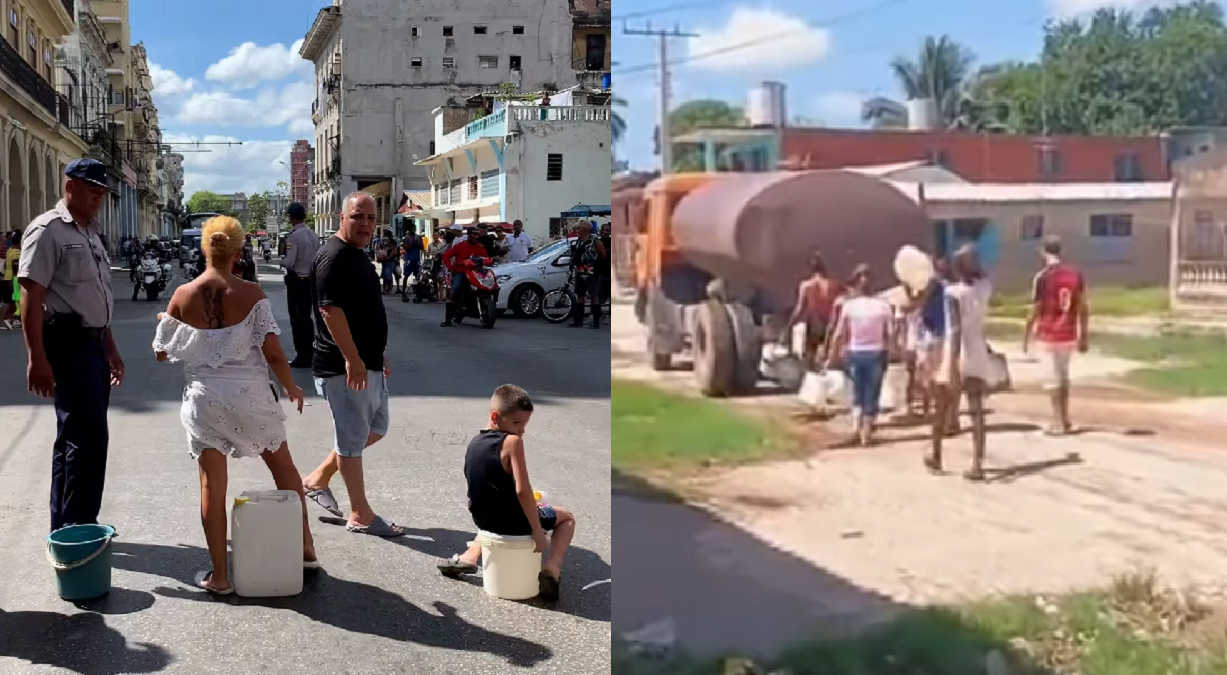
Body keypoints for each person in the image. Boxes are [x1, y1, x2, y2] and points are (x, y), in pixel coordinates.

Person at [153, 216, 318, 594]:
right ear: (239, 251)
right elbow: (274, 353)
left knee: (212, 484)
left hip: (204, 400)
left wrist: (164, 320)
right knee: (284, 469)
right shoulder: (252, 294)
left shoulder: (182, 295)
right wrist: (291, 387)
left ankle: (220, 576)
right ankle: (306, 546)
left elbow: (163, 353)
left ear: (203, 249)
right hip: (252, 396)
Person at [18, 158, 124, 532]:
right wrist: (37, 359)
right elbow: (30, 295)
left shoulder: (91, 233)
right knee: (87, 438)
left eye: (102, 193)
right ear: (70, 185)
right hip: (66, 344)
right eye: (92, 190)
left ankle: (65, 524)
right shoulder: (47, 231)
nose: (98, 198)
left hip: (92, 344)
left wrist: (109, 347)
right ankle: (79, 525)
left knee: (77, 438)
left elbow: (97, 296)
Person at [301, 193, 404, 536]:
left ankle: (318, 478)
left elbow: (363, 310)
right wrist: (353, 358)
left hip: (366, 361)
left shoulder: (356, 254)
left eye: (371, 219)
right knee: (350, 441)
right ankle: (360, 513)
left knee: (374, 428)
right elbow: (330, 310)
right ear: (341, 217)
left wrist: (374, 353)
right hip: (342, 367)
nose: (365, 224)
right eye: (358, 217)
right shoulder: (333, 257)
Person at [436, 385, 577, 601]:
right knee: (566, 517)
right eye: (517, 423)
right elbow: (523, 492)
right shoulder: (512, 442)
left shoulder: (474, 443)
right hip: (513, 521)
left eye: (524, 425)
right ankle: (552, 569)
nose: (521, 431)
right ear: (495, 416)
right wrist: (537, 531)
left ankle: (469, 556)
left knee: (497, 511)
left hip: (484, 520)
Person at [928, 244, 993, 480]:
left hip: (959, 348)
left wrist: (952, 364)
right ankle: (977, 463)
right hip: (978, 348)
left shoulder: (952, 293)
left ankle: (936, 454)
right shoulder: (985, 288)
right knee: (976, 410)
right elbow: (983, 274)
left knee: (942, 405)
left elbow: (954, 330)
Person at [1023, 235, 1089, 436]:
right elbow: (1083, 307)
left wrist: (1026, 334)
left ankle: (1057, 421)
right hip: (1068, 331)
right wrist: (1083, 334)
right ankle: (1065, 418)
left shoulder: (1042, 277)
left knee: (1052, 379)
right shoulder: (1075, 274)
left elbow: (1036, 308)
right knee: (1063, 376)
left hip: (1048, 332)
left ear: (1043, 251)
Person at [826, 265, 893, 447]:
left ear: (855, 284)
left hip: (854, 353)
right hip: (876, 353)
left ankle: (856, 428)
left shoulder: (849, 306)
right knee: (873, 393)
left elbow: (839, 333)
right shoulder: (883, 306)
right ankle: (867, 433)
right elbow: (890, 334)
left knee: (858, 391)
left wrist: (832, 355)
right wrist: (893, 352)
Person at [279, 202, 320, 368]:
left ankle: (302, 356)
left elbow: (290, 262)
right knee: (307, 319)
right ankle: (310, 353)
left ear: (291, 217)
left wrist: (280, 261)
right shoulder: (313, 235)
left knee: (297, 320)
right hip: (310, 280)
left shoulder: (293, 237)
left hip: (297, 281)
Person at [782, 253, 838, 369]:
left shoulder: (807, 286)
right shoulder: (832, 285)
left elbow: (799, 309)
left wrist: (789, 327)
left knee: (810, 357)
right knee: (828, 356)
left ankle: (812, 377)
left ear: (811, 270)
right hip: (830, 323)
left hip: (814, 324)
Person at [440, 227, 490, 327]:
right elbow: (446, 256)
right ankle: (448, 320)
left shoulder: (479, 247)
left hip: (476, 273)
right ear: (469, 235)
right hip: (461, 272)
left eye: (477, 235)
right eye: (474, 234)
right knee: (454, 291)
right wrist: (450, 267)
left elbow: (487, 258)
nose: (476, 237)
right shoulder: (460, 246)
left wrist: (490, 260)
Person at [569, 224, 607, 329]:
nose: (577, 230)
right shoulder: (579, 241)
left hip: (592, 272)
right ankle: (578, 321)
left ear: (585, 229)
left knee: (594, 296)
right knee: (580, 295)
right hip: (580, 271)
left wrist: (595, 264)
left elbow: (603, 255)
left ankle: (596, 322)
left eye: (579, 228)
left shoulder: (595, 241)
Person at [2, 231, 21, 330]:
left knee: (12, 301)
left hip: (7, 277)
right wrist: (17, 278)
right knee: (16, 300)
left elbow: (5, 264)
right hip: (14, 279)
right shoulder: (17, 252)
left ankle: (12, 319)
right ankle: (9, 319)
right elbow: (15, 266)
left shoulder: (9, 250)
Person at [400, 228, 425, 294]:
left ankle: (418, 292)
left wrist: (417, 243)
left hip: (416, 259)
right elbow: (406, 248)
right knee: (406, 276)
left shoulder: (419, 238)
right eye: (412, 229)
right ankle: (403, 292)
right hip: (409, 259)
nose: (413, 230)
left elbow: (422, 247)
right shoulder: (406, 238)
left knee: (417, 276)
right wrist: (410, 244)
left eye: (414, 229)